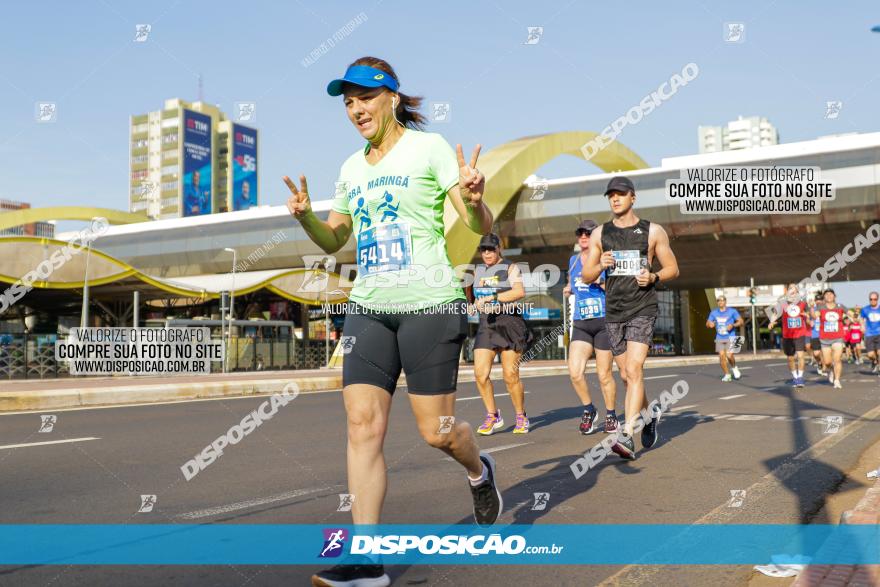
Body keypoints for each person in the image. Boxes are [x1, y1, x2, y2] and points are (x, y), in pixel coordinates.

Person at [285, 57, 500, 587]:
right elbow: (336, 239)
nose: (356, 109)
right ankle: (368, 561)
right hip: (370, 306)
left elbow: (477, 223)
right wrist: (307, 217)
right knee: (363, 426)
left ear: (393, 99)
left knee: (438, 433)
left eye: (365, 98)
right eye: (348, 102)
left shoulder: (429, 149)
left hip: (430, 303)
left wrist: (475, 200)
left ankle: (479, 469)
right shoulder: (351, 168)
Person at [582, 176, 680, 460]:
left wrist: (654, 276)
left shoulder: (653, 231)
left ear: (633, 198)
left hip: (642, 308)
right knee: (626, 375)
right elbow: (586, 275)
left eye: (621, 194)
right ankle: (650, 415)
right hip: (614, 312)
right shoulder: (600, 234)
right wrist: (599, 264)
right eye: (611, 195)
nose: (615, 199)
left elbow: (673, 268)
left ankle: (625, 434)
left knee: (634, 371)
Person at [471, 233, 532, 435]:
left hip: (509, 324)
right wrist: (473, 306)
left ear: (499, 249)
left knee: (510, 375)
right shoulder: (478, 271)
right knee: (480, 374)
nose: (487, 253)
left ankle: (521, 416)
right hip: (487, 325)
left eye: (491, 248)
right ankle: (493, 415)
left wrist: (494, 296)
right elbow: (473, 299)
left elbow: (519, 292)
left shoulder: (510, 267)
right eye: (483, 249)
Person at [563, 219, 618, 435]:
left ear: (596, 236)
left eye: (588, 232)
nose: (583, 236)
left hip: (604, 321)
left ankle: (611, 415)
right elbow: (573, 282)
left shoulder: (607, 258)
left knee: (604, 375)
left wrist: (601, 283)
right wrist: (570, 287)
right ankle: (589, 409)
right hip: (582, 323)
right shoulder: (573, 261)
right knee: (575, 372)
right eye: (580, 233)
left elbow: (619, 289)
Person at [768, 283, 809, 388]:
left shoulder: (803, 303)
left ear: (797, 292)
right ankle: (795, 377)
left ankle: (800, 377)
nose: (793, 292)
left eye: (795, 290)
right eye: (791, 289)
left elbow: (810, 315)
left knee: (800, 356)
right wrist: (772, 321)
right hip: (787, 335)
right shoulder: (783, 304)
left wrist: (807, 316)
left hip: (799, 333)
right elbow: (775, 313)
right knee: (790, 358)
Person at [814, 288, 846, 389]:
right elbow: (815, 315)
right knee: (827, 363)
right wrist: (812, 309)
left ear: (834, 296)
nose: (829, 296)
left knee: (837, 359)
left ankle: (837, 380)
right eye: (826, 295)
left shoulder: (840, 306)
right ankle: (831, 370)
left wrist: (855, 315)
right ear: (824, 297)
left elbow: (851, 315)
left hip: (838, 337)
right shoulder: (821, 307)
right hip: (825, 338)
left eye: (831, 294)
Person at [707, 295, 744, 382]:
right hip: (719, 337)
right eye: (718, 300)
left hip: (731, 336)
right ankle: (727, 374)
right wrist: (710, 324)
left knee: (729, 355)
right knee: (721, 356)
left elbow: (741, 322)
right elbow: (708, 323)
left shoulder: (732, 311)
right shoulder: (714, 313)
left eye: (722, 300)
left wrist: (733, 325)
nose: (720, 302)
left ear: (725, 301)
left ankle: (734, 367)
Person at [860, 292, 880, 374]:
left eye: (875, 299)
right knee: (870, 354)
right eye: (871, 299)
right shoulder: (865, 309)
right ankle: (874, 361)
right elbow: (861, 318)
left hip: (879, 333)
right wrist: (862, 326)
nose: (873, 301)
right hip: (869, 334)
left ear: (877, 299)